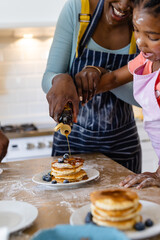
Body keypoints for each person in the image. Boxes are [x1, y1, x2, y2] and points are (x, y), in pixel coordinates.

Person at [42, 0, 142, 173]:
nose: (124, 5)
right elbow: (48, 78)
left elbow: (146, 97)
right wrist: (60, 79)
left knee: (124, 200)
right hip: (71, 142)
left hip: (122, 145)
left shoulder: (144, 21)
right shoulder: (78, 9)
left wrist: (107, 76)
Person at [86, 0, 160, 189]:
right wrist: (77, 93)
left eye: (152, 36)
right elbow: (113, 79)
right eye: (136, 30)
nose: (140, 42)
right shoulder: (145, 60)